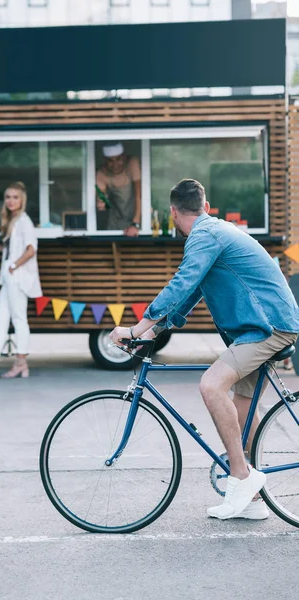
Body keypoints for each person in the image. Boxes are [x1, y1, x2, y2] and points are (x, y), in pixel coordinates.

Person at [109, 178, 299, 521]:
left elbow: (182, 281)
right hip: (263, 325)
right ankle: (252, 499)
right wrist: (158, 329)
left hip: (267, 327)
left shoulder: (204, 236)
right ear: (206, 206)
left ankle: (242, 476)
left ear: (172, 213)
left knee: (211, 386)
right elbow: (192, 292)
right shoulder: (214, 230)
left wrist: (137, 328)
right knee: (242, 403)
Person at [0, 181, 42, 380]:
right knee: (0, 319)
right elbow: (16, 250)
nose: (11, 201)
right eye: (8, 197)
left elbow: (31, 249)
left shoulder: (24, 221)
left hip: (17, 277)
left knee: (19, 319)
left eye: (15, 197)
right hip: (9, 277)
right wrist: (1, 250)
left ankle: (21, 362)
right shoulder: (13, 221)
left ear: (22, 200)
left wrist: (13, 265)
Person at [96, 143, 141, 236]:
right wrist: (102, 203)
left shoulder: (132, 163)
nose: (115, 164)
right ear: (104, 161)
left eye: (118, 159)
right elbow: (103, 199)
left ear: (124, 157)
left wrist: (135, 223)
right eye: (110, 161)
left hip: (138, 215)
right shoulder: (101, 173)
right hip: (116, 220)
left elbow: (139, 193)